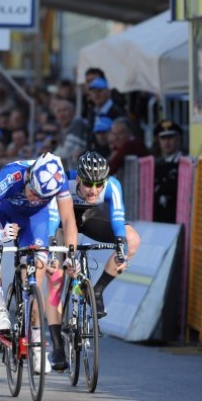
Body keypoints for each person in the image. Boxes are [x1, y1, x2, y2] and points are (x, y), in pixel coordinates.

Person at [0, 152, 78, 375]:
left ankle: (37, 342)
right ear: (29, 178)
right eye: (33, 192)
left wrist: (71, 255)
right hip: (3, 213)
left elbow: (69, 220)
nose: (34, 198)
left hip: (34, 221)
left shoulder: (58, 180)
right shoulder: (11, 175)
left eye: (42, 197)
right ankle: (0, 307)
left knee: (36, 275)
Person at [45, 151, 141, 370]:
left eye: (99, 184)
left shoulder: (112, 185)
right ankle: (58, 347)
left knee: (132, 240)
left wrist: (119, 245)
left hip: (91, 219)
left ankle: (96, 291)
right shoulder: (64, 182)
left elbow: (117, 216)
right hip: (61, 224)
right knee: (56, 278)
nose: (94, 190)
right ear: (78, 178)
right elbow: (52, 218)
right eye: (88, 184)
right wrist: (52, 249)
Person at [153, 120, 183, 223]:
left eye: (170, 138)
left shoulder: (183, 162)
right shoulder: (158, 163)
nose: (166, 142)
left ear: (178, 139)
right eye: (163, 138)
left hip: (176, 216)